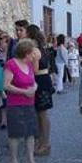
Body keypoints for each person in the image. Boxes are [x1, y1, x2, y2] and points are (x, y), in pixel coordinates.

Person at [3, 39, 42, 163]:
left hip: (29, 103)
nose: (34, 56)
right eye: (32, 53)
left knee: (30, 133)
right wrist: (24, 92)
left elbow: (33, 81)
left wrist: (34, 88)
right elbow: (6, 85)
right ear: (26, 53)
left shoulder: (29, 65)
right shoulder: (11, 64)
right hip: (15, 104)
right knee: (15, 134)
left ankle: (30, 160)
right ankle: (13, 162)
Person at [27, 25, 54, 156]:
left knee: (42, 114)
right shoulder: (42, 49)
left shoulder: (35, 50)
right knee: (40, 114)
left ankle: (45, 144)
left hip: (40, 81)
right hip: (44, 80)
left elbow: (35, 70)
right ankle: (42, 142)